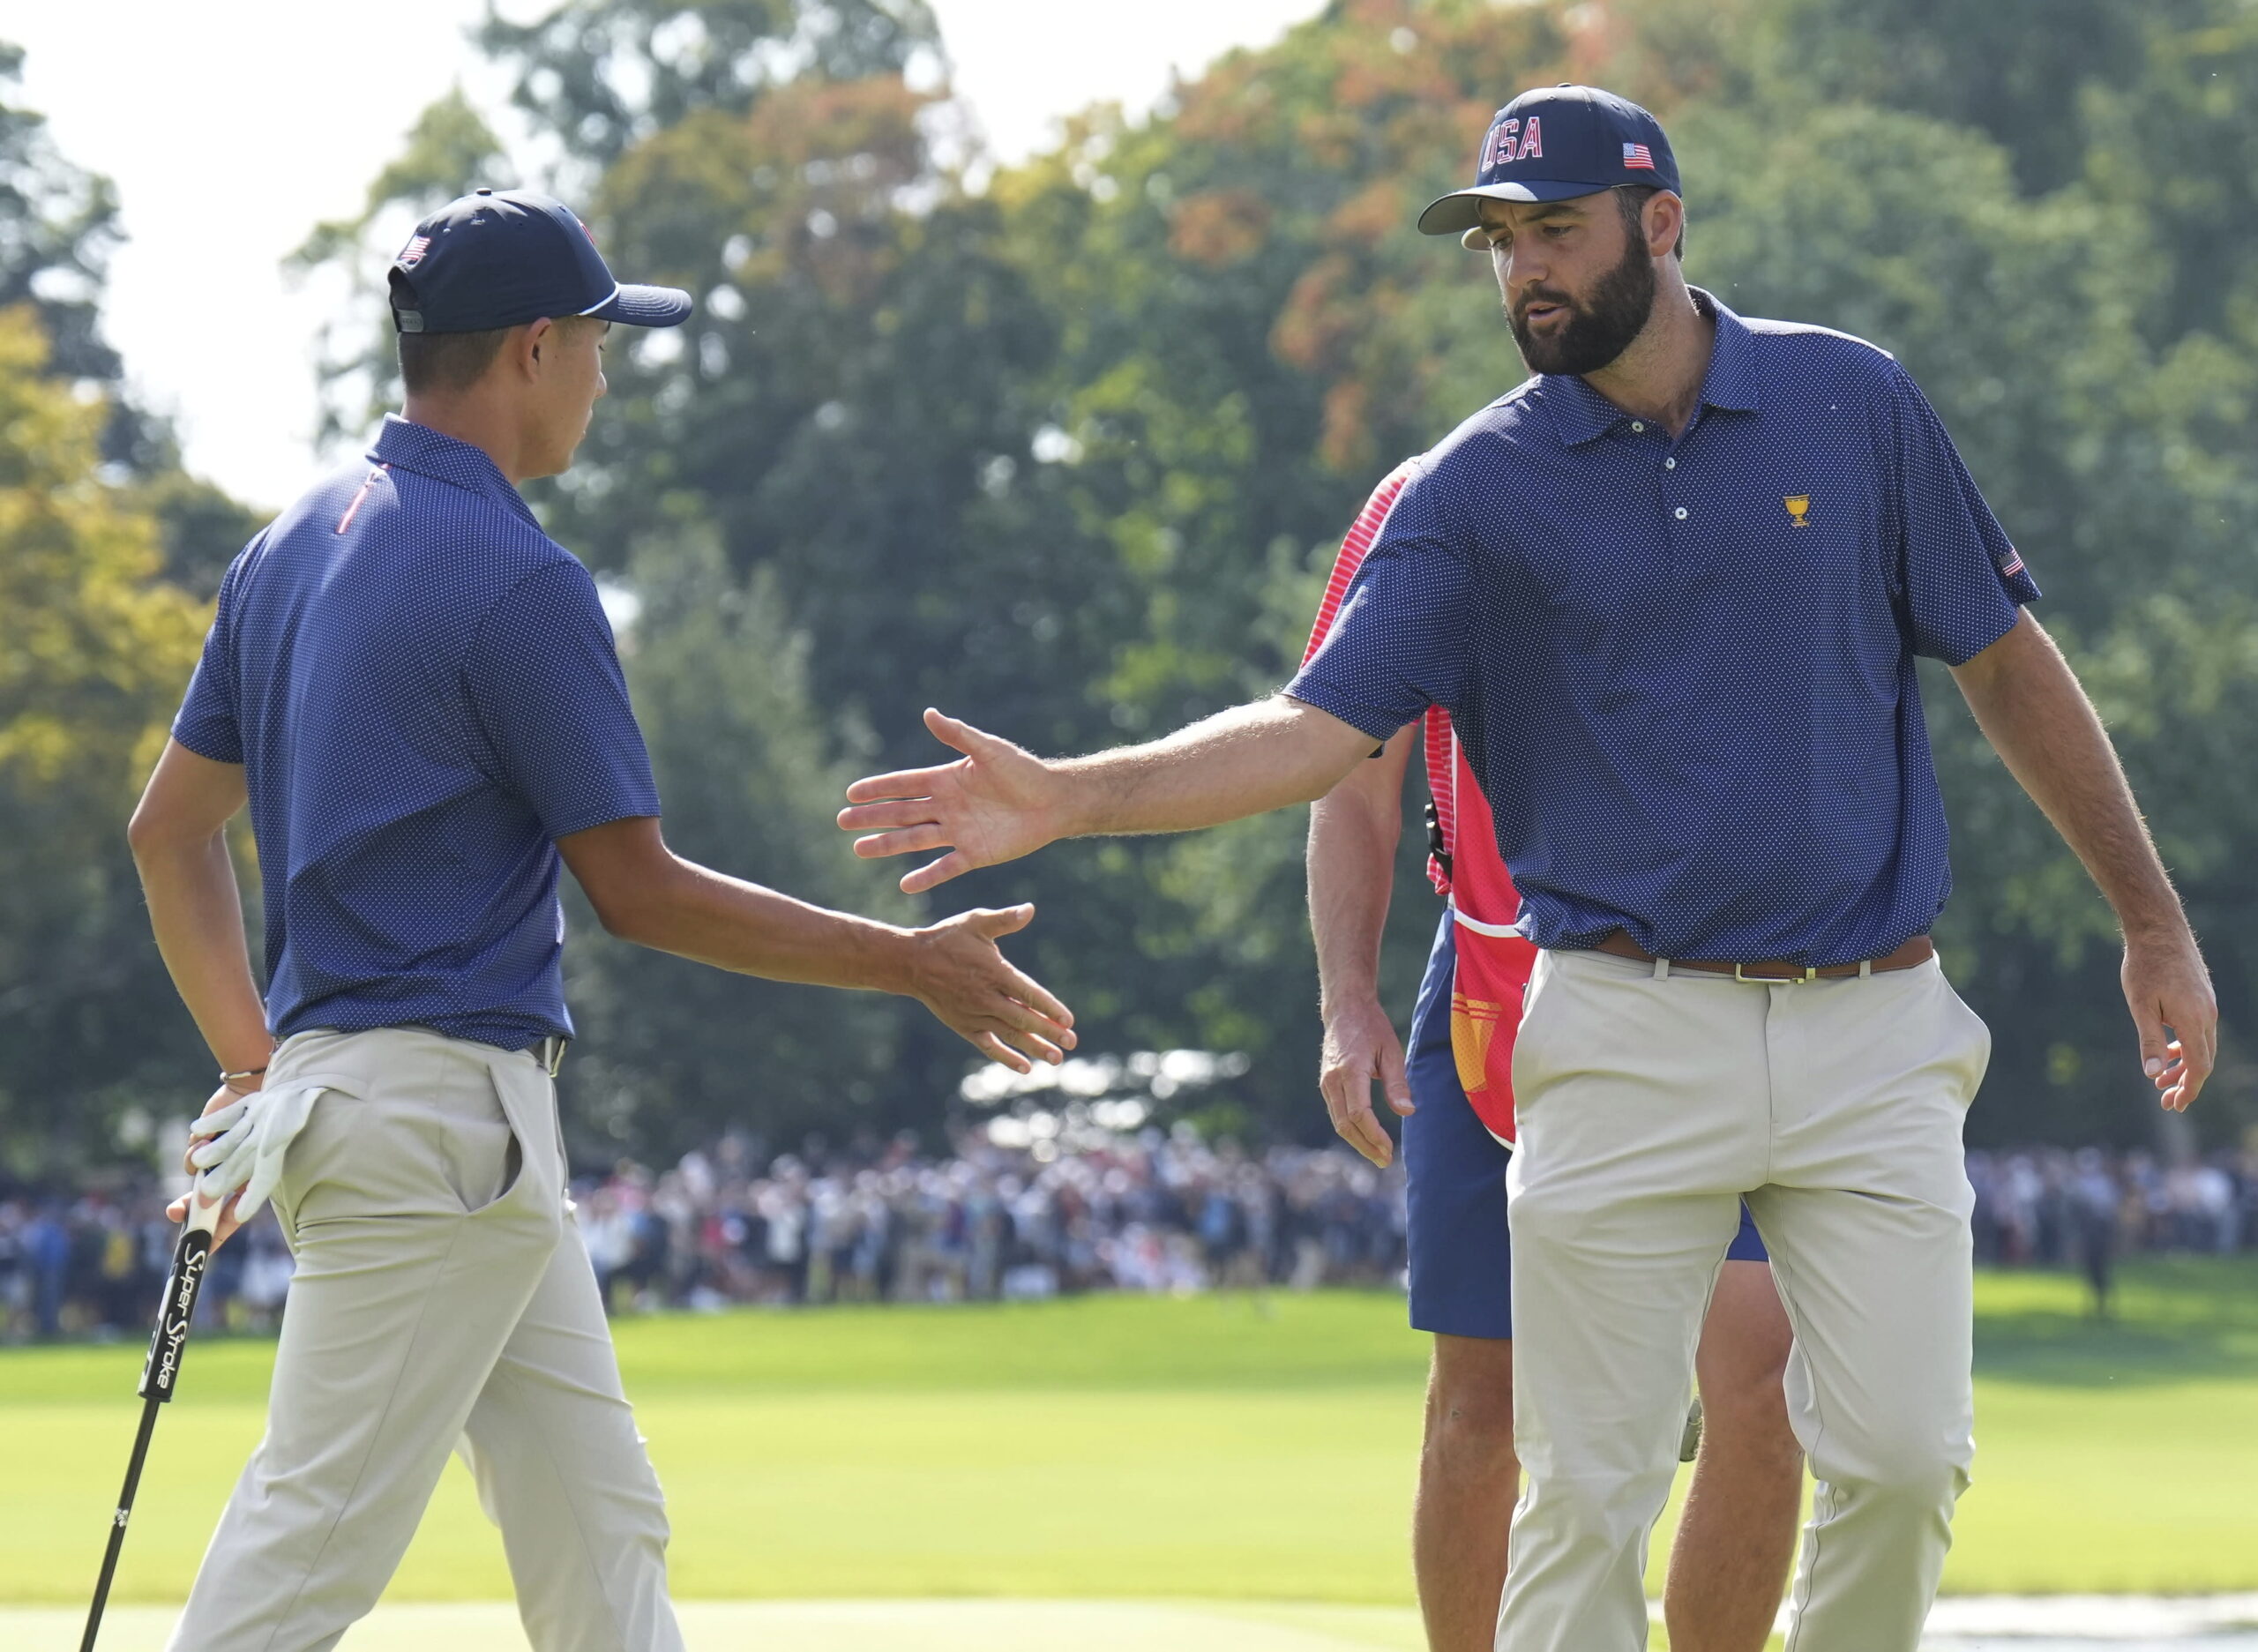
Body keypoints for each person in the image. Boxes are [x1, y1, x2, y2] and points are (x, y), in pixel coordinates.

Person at [837, 86, 2215, 1651]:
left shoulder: (1856, 405)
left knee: (1904, 1465)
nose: (1523, 274)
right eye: (1498, 243)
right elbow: (1317, 734)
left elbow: (2009, 664)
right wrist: (1075, 797)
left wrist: (2148, 920)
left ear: (1665, 227)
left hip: (1876, 1025)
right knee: (1590, 1493)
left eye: (1553, 232)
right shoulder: (1473, 490)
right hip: (1623, 1032)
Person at [127, 187, 1073, 1652]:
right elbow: (640, 892)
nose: (604, 378)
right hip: (442, 1123)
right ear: (529, 351)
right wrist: (907, 962)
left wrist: (260, 1064)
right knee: (307, 1542)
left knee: (596, 1518)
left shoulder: (287, 546)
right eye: (596, 344)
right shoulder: (519, 577)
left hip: (421, 1123)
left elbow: (170, 833)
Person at [1305, 471, 1802, 1651]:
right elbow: (1349, 774)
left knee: (1764, 1381)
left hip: (1717, 992)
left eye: (1556, 262)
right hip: (1493, 992)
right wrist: (1346, 998)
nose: (1532, 276)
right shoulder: (1422, 504)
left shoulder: (1752, 480)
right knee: (1482, 1415)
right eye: (1513, 267)